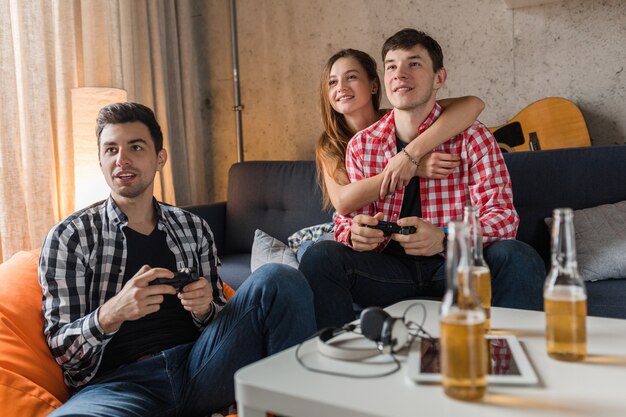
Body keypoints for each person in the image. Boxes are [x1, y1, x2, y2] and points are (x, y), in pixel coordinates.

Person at [39, 102, 316, 417]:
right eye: (111, 150)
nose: (122, 159)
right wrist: (112, 312)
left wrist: (205, 309)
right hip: (119, 386)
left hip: (202, 366)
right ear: (101, 160)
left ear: (160, 158)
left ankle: (297, 406)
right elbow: (62, 349)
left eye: (136, 147)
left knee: (279, 278)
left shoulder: (193, 227)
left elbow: (221, 320)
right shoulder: (70, 237)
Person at [299, 29, 545, 330]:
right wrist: (354, 233)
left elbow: (503, 219)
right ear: (384, 81)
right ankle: (340, 366)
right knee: (320, 256)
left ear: (439, 78)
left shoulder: (473, 137)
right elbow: (345, 217)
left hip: (453, 266)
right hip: (387, 272)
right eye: (391, 66)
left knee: (519, 256)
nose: (400, 74)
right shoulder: (361, 145)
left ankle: (511, 364)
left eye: (413, 64)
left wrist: (444, 238)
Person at [290, 48, 485, 257]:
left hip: (406, 241)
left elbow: (473, 104)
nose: (342, 87)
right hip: (356, 232)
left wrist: (408, 154)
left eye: (351, 77)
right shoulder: (330, 145)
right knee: (317, 254)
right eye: (332, 82)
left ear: (374, 86)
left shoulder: (401, 119)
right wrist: (412, 167)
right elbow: (343, 201)